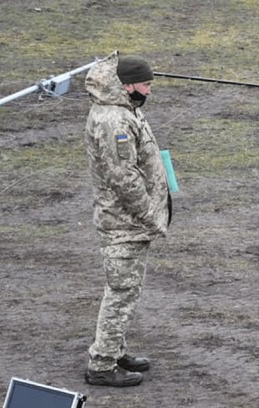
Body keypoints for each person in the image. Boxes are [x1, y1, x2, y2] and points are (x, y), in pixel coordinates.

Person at [82, 52, 171, 386]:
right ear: (128, 84)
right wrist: (150, 216)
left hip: (127, 221)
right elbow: (124, 178)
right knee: (121, 292)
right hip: (123, 223)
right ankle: (102, 364)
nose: (148, 91)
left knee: (126, 290)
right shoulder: (114, 120)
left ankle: (114, 349)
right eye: (145, 85)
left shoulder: (124, 110)